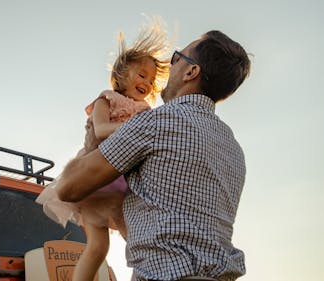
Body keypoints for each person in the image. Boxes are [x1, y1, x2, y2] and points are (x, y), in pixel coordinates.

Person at [55, 30, 251, 281]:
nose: (169, 68)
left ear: (191, 72)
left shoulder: (156, 122)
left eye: (176, 58)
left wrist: (90, 142)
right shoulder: (233, 148)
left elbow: (68, 189)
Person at [36, 19, 170, 281]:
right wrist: (135, 128)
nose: (147, 82)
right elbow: (101, 130)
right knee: (98, 247)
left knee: (136, 239)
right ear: (121, 74)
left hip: (122, 186)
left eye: (152, 80)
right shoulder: (106, 99)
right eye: (142, 74)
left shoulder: (145, 111)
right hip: (93, 180)